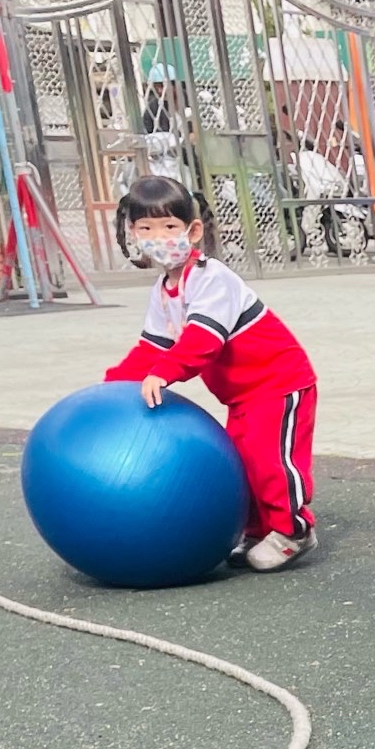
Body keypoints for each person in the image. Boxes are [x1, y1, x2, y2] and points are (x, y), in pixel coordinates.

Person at [103, 175, 320, 572]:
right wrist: (112, 386)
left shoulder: (211, 278)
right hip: (241, 394)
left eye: (169, 226)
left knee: (269, 461)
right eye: (146, 228)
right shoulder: (163, 290)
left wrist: (164, 374)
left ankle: (293, 529)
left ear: (193, 231)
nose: (158, 237)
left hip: (277, 382)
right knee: (243, 462)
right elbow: (153, 346)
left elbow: (204, 340)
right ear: (132, 233)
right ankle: (258, 530)